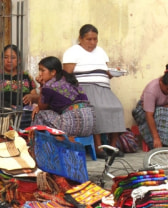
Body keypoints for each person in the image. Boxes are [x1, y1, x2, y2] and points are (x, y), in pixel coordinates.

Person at [62, 24, 125, 158]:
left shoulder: (101, 51)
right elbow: (67, 75)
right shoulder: (73, 52)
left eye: (95, 39)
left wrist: (113, 73)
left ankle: (112, 146)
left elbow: (105, 73)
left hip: (103, 88)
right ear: (81, 38)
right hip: (84, 88)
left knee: (117, 108)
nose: (92, 43)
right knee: (96, 109)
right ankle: (98, 147)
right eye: (89, 39)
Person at [31, 56, 94, 137]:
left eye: (42, 70)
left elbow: (41, 106)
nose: (40, 74)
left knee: (40, 115)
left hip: (74, 124)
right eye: (39, 70)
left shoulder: (48, 85)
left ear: (53, 72)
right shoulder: (69, 79)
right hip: (89, 123)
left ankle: (40, 145)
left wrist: (42, 86)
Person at [0, 44, 38, 128]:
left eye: (13, 58)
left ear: (19, 60)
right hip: (3, 111)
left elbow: (35, 95)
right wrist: (2, 104)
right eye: (5, 57)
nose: (9, 61)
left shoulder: (25, 75)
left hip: (23, 112)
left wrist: (31, 96)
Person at [134, 65, 168, 149]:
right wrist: (156, 138)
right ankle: (161, 144)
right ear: (162, 82)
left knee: (163, 111)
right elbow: (149, 115)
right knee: (161, 112)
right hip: (143, 112)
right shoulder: (152, 90)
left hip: (160, 111)